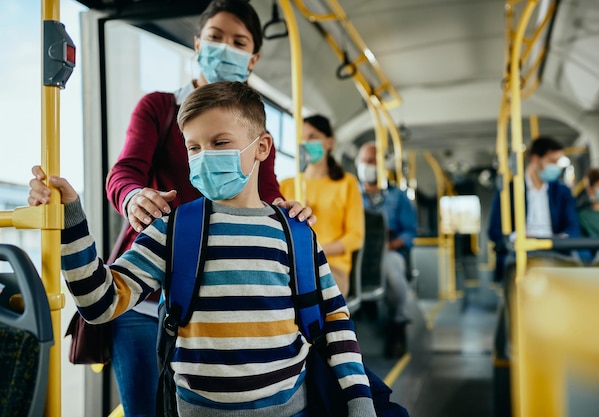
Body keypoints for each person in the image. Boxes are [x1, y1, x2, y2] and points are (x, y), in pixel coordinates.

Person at [29, 81, 377, 417]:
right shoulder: (173, 230)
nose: (205, 157)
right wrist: (72, 217)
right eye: (194, 148)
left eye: (220, 142)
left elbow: (335, 322)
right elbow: (99, 303)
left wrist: (359, 401)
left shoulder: (296, 234)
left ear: (262, 147)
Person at [101, 1, 316, 415]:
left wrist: (291, 221)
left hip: (214, 293)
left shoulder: (254, 129)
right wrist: (133, 197)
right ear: (197, 43)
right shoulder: (159, 108)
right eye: (215, 37)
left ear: (252, 59)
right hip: (145, 294)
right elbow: (125, 172)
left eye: (238, 42)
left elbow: (266, 192)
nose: (225, 47)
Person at [279, 115, 364, 297]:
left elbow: (355, 237)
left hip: (332, 266)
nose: (305, 142)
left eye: (313, 137)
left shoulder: (346, 183)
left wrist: (314, 251)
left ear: (329, 142)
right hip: (290, 264)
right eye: (302, 137)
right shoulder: (286, 185)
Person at [487, 136, 584, 281]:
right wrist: (519, 238)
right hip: (522, 250)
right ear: (535, 159)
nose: (556, 167)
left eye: (558, 162)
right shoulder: (508, 191)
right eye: (552, 161)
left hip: (555, 248)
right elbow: (495, 231)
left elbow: (573, 227)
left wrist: (560, 239)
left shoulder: (562, 192)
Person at [355, 141, 417, 358]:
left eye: (371, 161)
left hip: (389, 250)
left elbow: (409, 232)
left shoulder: (398, 196)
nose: (366, 165)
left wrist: (388, 244)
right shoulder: (351, 194)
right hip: (358, 252)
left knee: (391, 270)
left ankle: (398, 323)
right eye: (363, 161)